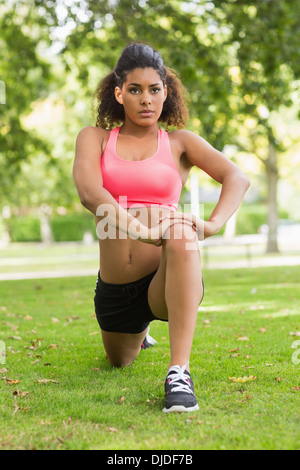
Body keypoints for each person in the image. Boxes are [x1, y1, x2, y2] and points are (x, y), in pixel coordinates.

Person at [73, 42, 250, 413]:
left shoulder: (179, 143)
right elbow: (90, 193)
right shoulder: (96, 138)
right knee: (120, 361)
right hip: (117, 287)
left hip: (164, 280)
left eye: (155, 89)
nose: (146, 99)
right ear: (118, 93)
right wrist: (143, 230)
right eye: (135, 90)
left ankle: (179, 372)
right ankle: (141, 332)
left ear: (166, 92)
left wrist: (213, 224)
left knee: (182, 232)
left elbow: (237, 177)